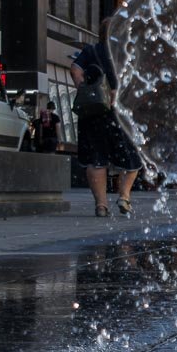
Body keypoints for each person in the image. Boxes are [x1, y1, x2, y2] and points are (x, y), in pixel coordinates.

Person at [70, 17, 143, 217]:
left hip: (92, 112)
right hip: (119, 113)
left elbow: (75, 69)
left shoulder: (90, 51)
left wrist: (85, 89)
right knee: (133, 158)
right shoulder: (126, 53)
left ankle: (101, 205)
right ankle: (124, 196)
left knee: (95, 160)